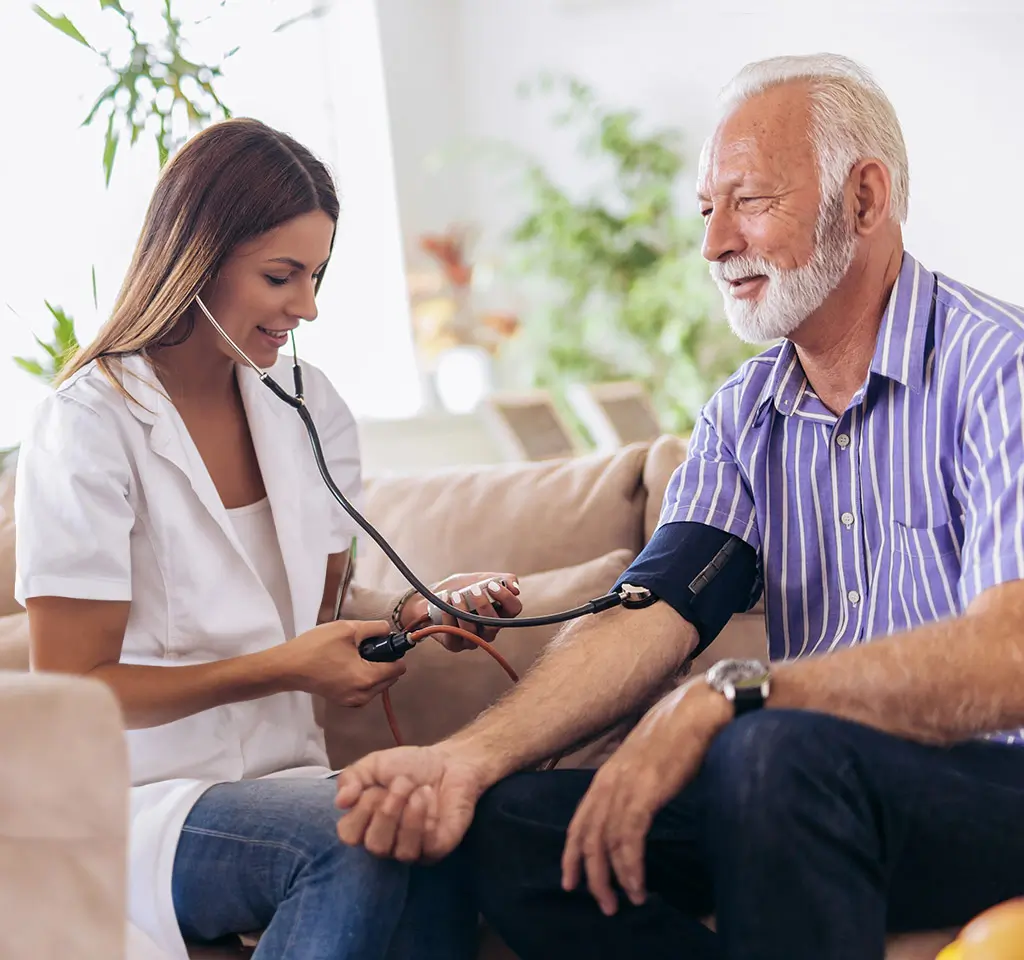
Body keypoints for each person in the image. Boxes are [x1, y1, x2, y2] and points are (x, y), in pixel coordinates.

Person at [332, 53, 1024, 959]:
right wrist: (465, 759)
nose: (713, 244)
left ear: (863, 198)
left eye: (750, 201)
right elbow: (652, 611)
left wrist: (739, 696)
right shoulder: (745, 414)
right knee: (515, 828)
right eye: (707, 209)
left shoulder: (996, 370)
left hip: (991, 788)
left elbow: (1009, 655)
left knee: (768, 750)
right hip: (796, 792)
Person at [13, 117, 523, 960]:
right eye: (281, 276)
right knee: (354, 837)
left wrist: (423, 609)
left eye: (317, 276)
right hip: (140, 802)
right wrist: (284, 667)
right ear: (196, 258)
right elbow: (72, 692)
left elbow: (321, 611)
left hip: (287, 782)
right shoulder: (88, 426)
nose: (308, 307)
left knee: (428, 825)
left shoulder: (307, 404)